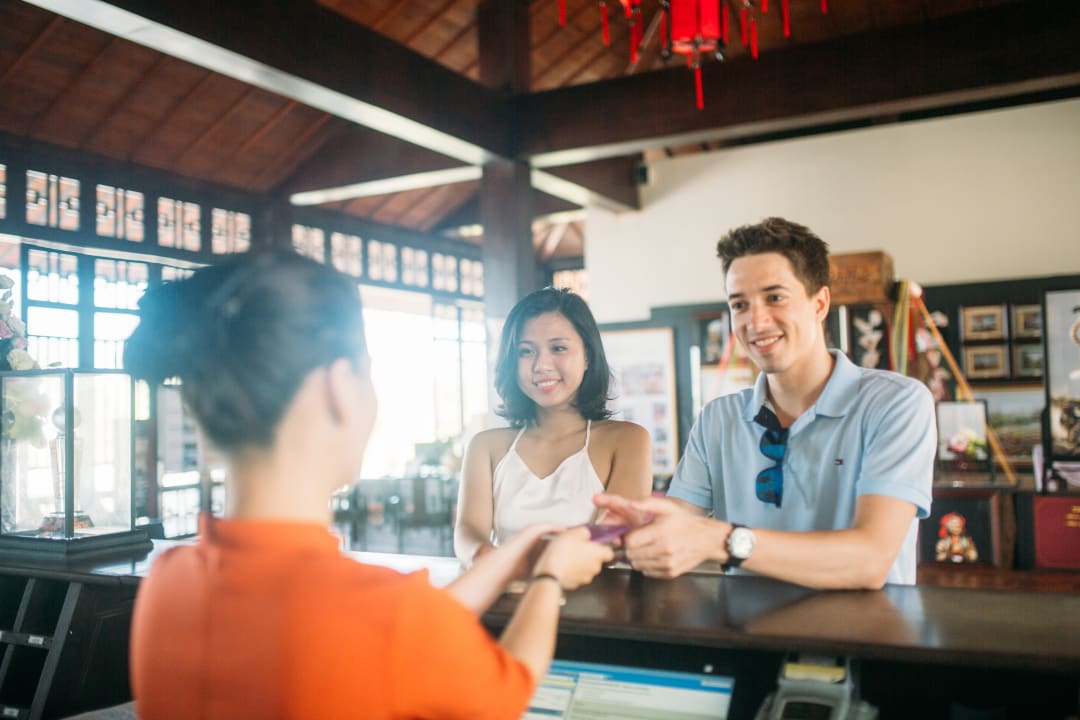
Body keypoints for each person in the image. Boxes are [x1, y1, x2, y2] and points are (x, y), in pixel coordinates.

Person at [124, 251, 613, 720]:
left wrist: (516, 553)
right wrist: (550, 579)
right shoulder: (383, 616)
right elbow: (510, 688)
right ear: (338, 387)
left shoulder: (169, 580)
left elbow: (389, 629)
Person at [594, 217, 935, 589]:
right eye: (739, 304)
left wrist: (721, 540)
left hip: (864, 639)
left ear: (820, 303)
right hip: (746, 636)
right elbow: (679, 520)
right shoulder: (718, 418)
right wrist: (633, 526)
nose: (755, 321)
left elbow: (870, 561)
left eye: (775, 298)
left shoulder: (896, 403)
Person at [455, 287, 652, 566]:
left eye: (558, 348)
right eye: (526, 351)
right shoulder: (485, 446)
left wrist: (518, 564)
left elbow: (612, 534)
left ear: (587, 357)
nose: (541, 365)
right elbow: (468, 533)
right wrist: (486, 559)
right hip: (505, 599)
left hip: (596, 603)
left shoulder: (628, 440)